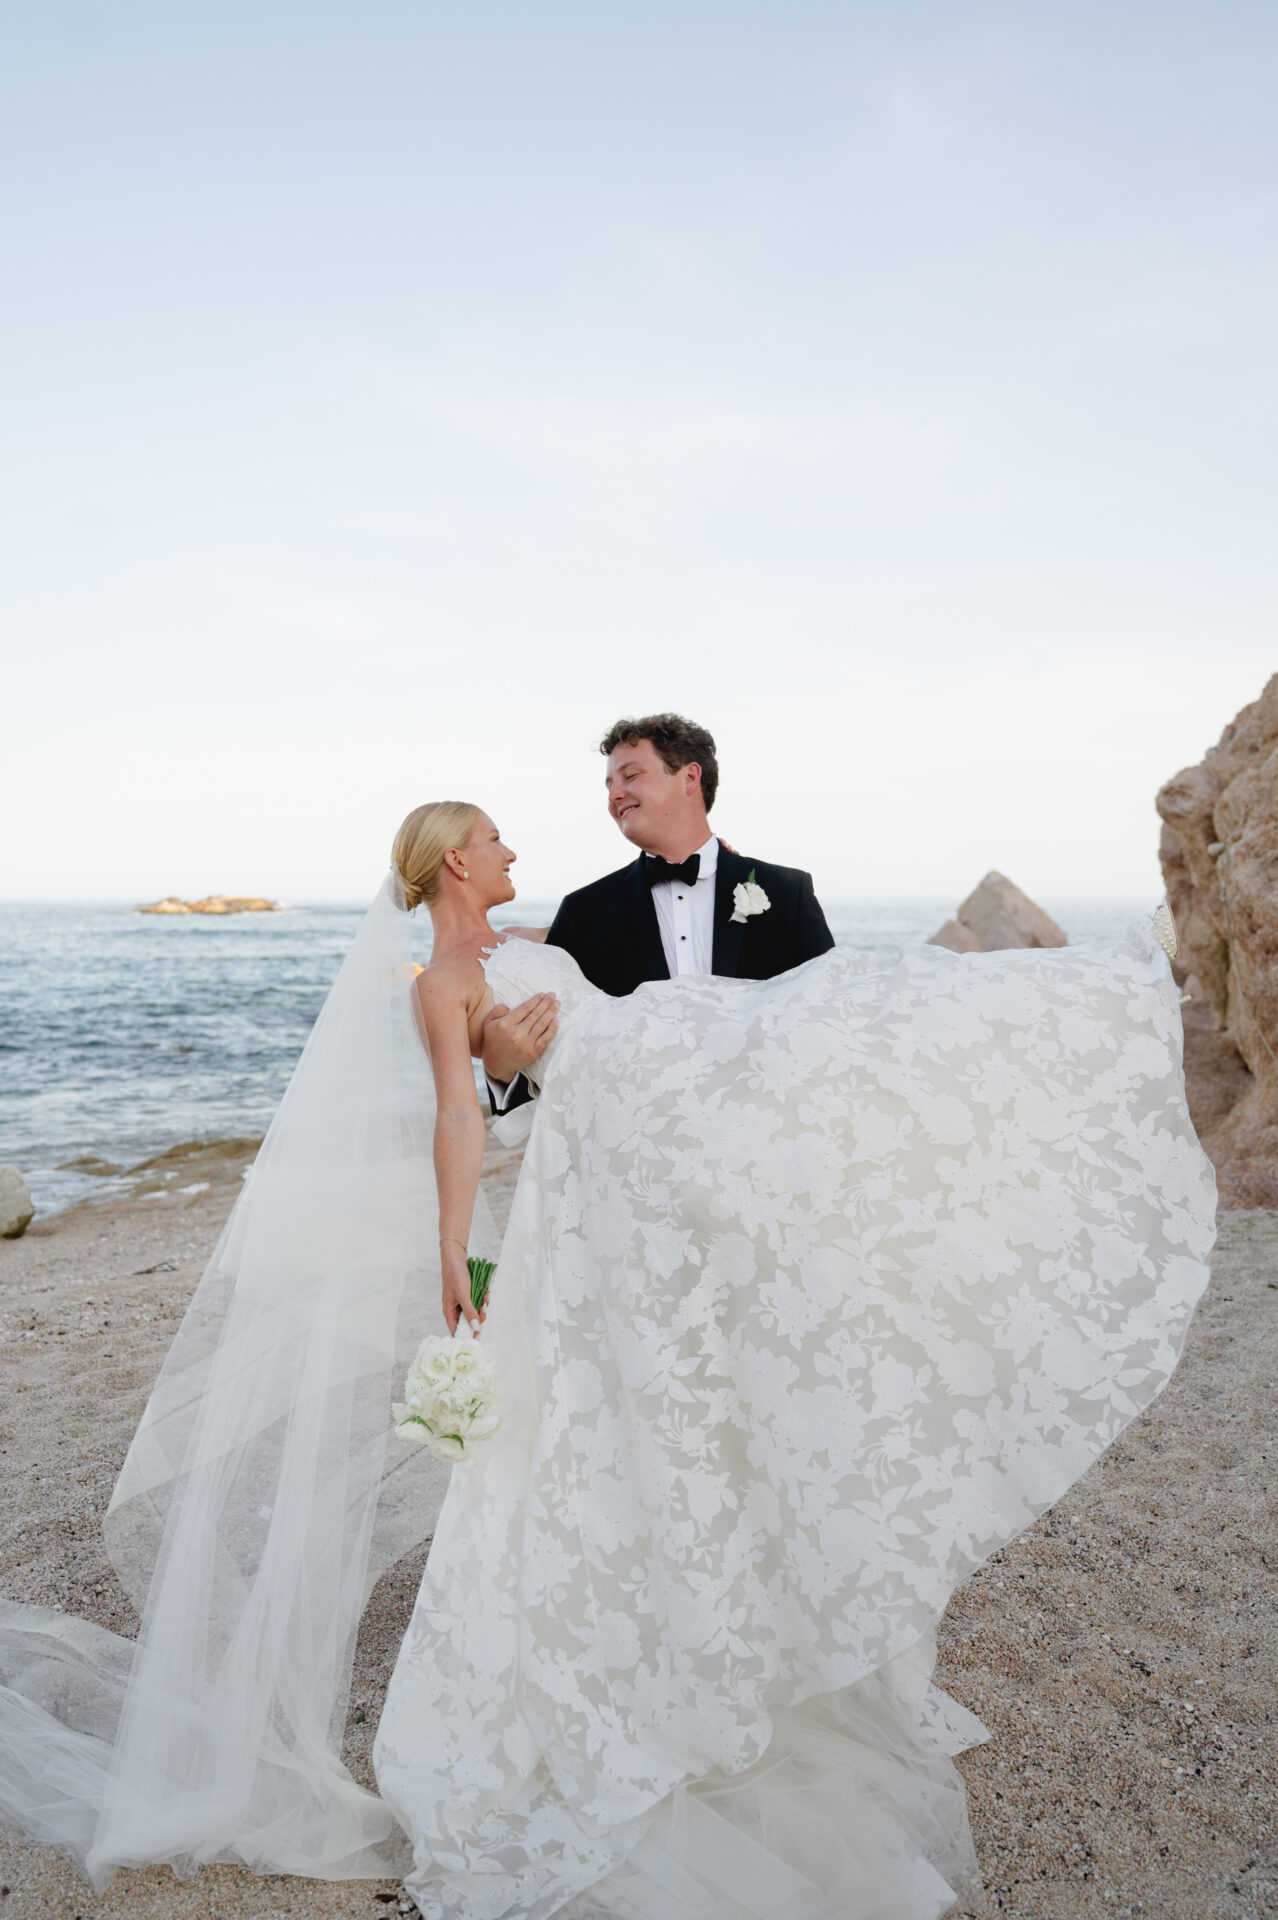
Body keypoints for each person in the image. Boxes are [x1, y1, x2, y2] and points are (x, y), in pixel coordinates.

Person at [0, 796, 1216, 1920]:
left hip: (659, 1101)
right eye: (492, 836)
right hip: (611, 1160)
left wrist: (540, 1050)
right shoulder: (439, 980)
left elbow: (569, 1028)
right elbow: (461, 1111)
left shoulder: (525, 933)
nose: (514, 848)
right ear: (451, 860)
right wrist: (458, 1226)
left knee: (846, 1028)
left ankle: (1068, 1016)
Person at [482, 713, 835, 1120]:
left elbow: (828, 1019)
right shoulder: (585, 912)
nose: (615, 794)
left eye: (630, 776)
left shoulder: (787, 892)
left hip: (769, 1130)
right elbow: (559, 1058)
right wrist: (500, 1070)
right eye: (609, 784)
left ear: (689, 777)